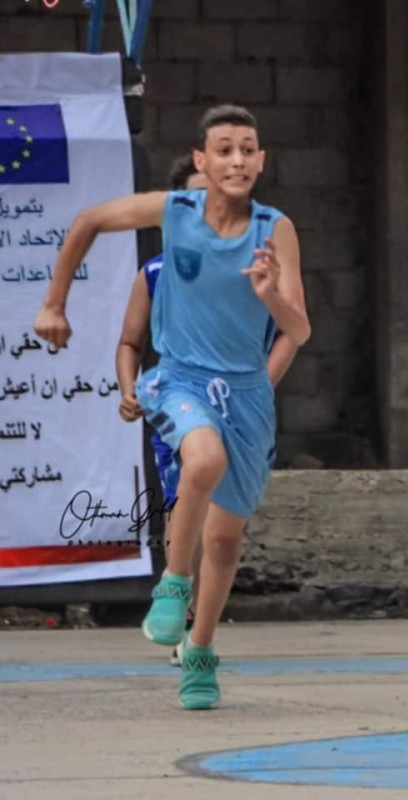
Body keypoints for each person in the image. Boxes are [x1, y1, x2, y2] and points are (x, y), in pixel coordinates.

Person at [35, 104, 311, 709]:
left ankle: (201, 652)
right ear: (202, 161)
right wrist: (55, 303)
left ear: (261, 161)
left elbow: (301, 327)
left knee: (225, 540)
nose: (237, 159)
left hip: (246, 395)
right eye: (224, 148)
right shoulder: (173, 213)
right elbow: (87, 220)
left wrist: (269, 295)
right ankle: (171, 583)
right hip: (180, 379)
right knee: (202, 460)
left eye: (247, 148)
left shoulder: (276, 228)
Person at [114, 154, 299, 668]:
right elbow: (129, 342)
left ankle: (200, 639)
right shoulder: (154, 274)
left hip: (241, 406)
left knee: (223, 531)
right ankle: (178, 601)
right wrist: (129, 388)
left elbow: (293, 330)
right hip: (186, 400)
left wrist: (261, 383)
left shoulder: (257, 269)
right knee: (189, 494)